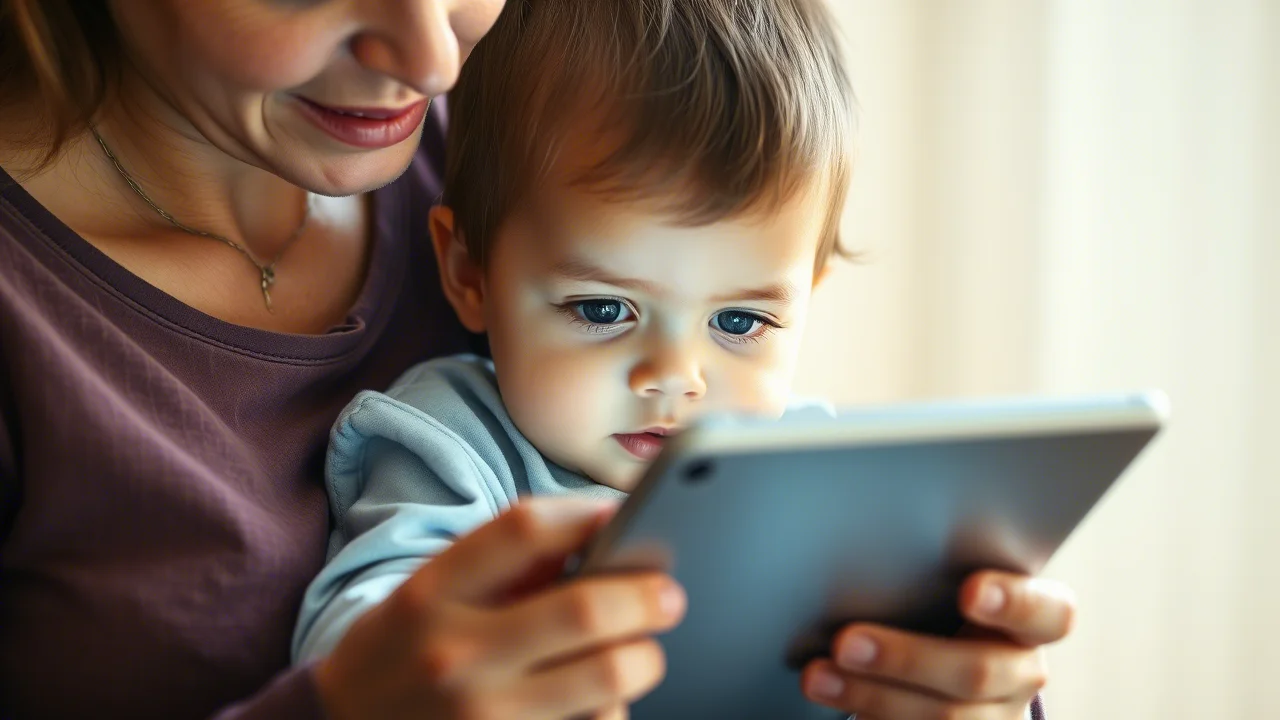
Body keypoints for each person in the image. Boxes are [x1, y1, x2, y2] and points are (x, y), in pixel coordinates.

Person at [0, 0, 1071, 718]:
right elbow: (383, 601)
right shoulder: (447, 434)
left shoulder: (561, 116)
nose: (434, 60)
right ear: (464, 269)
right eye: (601, 308)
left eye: (739, 324)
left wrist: (943, 677)